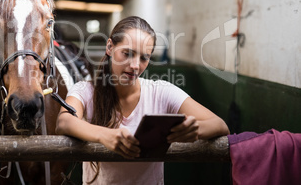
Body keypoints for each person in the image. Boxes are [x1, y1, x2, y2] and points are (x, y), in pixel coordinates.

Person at [56, 16, 230, 184]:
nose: (135, 66)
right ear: (110, 47)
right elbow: (64, 121)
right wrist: (105, 135)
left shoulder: (161, 92)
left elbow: (220, 125)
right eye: (127, 53)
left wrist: (195, 130)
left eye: (144, 58)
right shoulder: (85, 90)